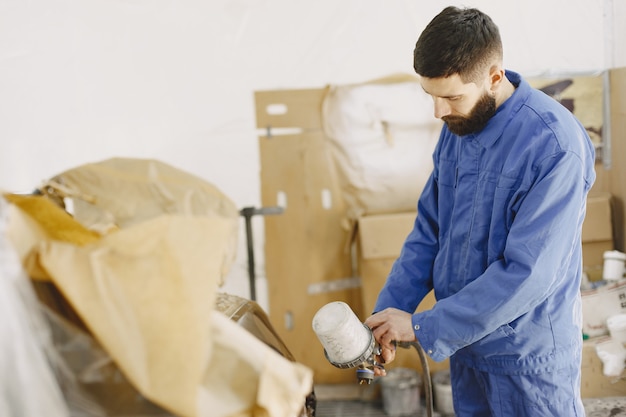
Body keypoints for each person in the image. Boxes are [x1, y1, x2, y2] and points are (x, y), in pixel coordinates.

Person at [363, 6, 596, 417]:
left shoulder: (554, 146)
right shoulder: (459, 127)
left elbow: (528, 274)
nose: (438, 111)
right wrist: (388, 315)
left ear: (493, 77)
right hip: (467, 349)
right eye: (430, 96)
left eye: (451, 96)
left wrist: (422, 327)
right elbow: (429, 233)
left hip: (527, 361)